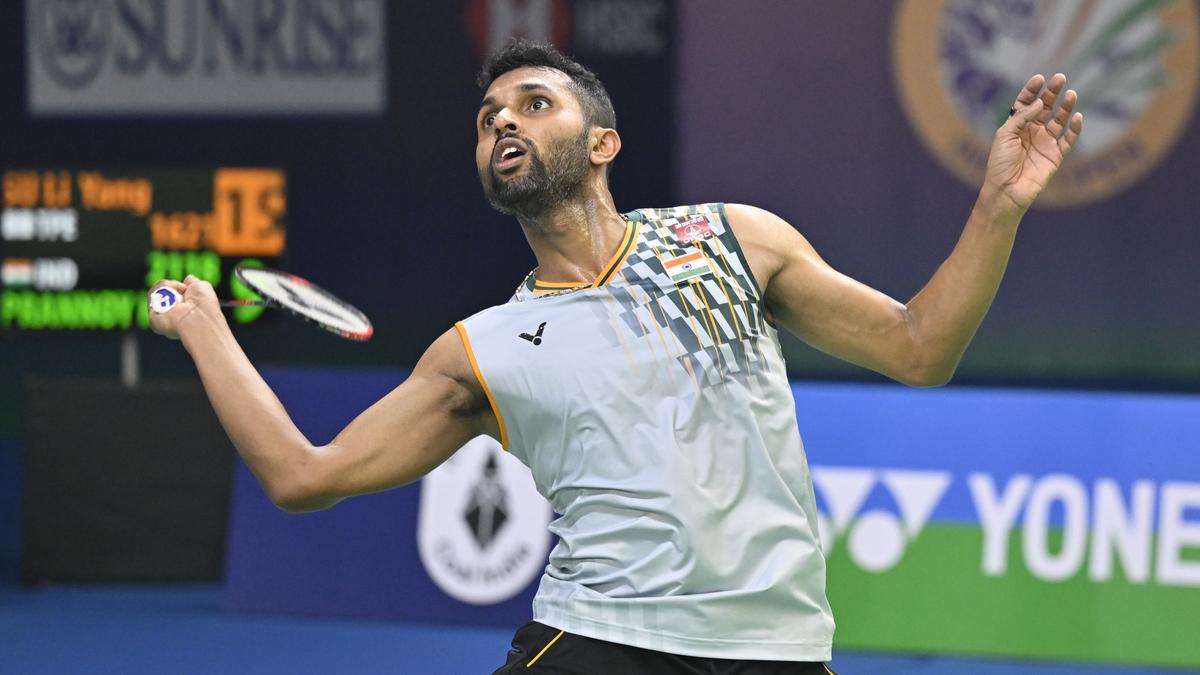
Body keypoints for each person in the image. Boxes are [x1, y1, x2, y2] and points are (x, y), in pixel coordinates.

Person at [150, 39, 1082, 675]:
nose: (502, 123)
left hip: (777, 646)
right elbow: (304, 476)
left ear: (602, 143)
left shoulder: (732, 239)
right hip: (601, 639)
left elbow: (920, 348)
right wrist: (204, 329)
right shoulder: (481, 349)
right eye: (487, 118)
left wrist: (998, 205)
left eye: (533, 104)